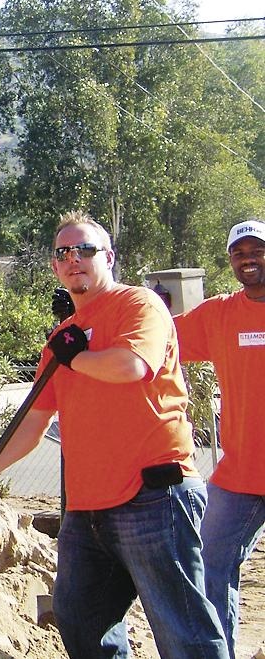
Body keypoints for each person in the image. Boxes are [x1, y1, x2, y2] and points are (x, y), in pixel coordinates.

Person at [0, 210, 226, 658]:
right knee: (79, 617)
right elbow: (32, 426)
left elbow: (131, 366)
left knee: (182, 629)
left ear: (109, 257)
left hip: (154, 494)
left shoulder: (138, 305)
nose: (73, 258)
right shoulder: (61, 339)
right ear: (55, 265)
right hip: (87, 509)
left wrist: (75, 357)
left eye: (85, 249)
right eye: (63, 252)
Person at [173, 219, 265, 658]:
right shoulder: (220, 315)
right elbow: (155, 336)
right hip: (242, 474)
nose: (249, 259)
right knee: (210, 563)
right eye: (239, 252)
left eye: (257, 250)